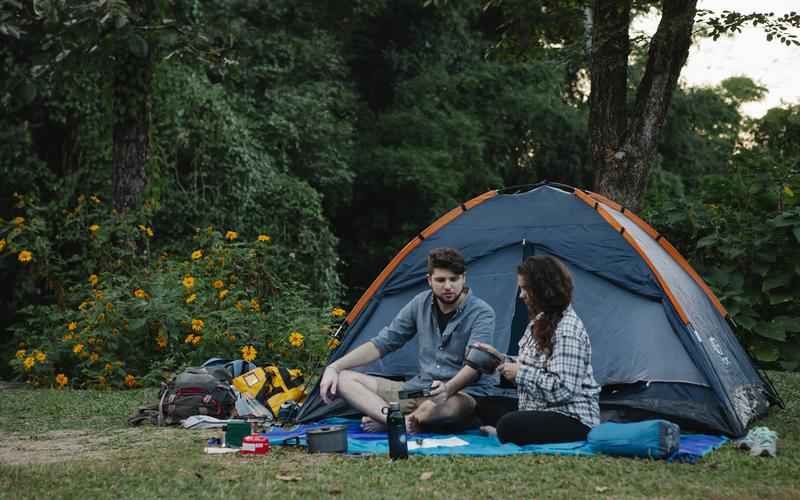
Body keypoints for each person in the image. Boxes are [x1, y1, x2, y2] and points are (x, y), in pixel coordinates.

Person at [320, 247, 496, 433]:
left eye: (454, 279)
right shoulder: (420, 303)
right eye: (440, 280)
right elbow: (384, 342)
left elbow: (475, 365)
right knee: (344, 380)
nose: (448, 286)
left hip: (458, 394)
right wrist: (334, 367)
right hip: (418, 390)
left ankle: (395, 421)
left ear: (464, 278)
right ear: (429, 280)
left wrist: (447, 389)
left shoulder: (482, 312)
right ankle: (399, 422)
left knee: (450, 408)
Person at [478, 255, 600, 444]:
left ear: (545, 289)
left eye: (526, 288)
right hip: (538, 407)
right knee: (483, 404)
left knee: (509, 424)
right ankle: (508, 430)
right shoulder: (540, 320)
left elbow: (562, 390)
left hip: (572, 419)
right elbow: (530, 364)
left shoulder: (567, 330)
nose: (521, 295)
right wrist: (500, 359)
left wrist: (520, 373)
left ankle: (504, 432)